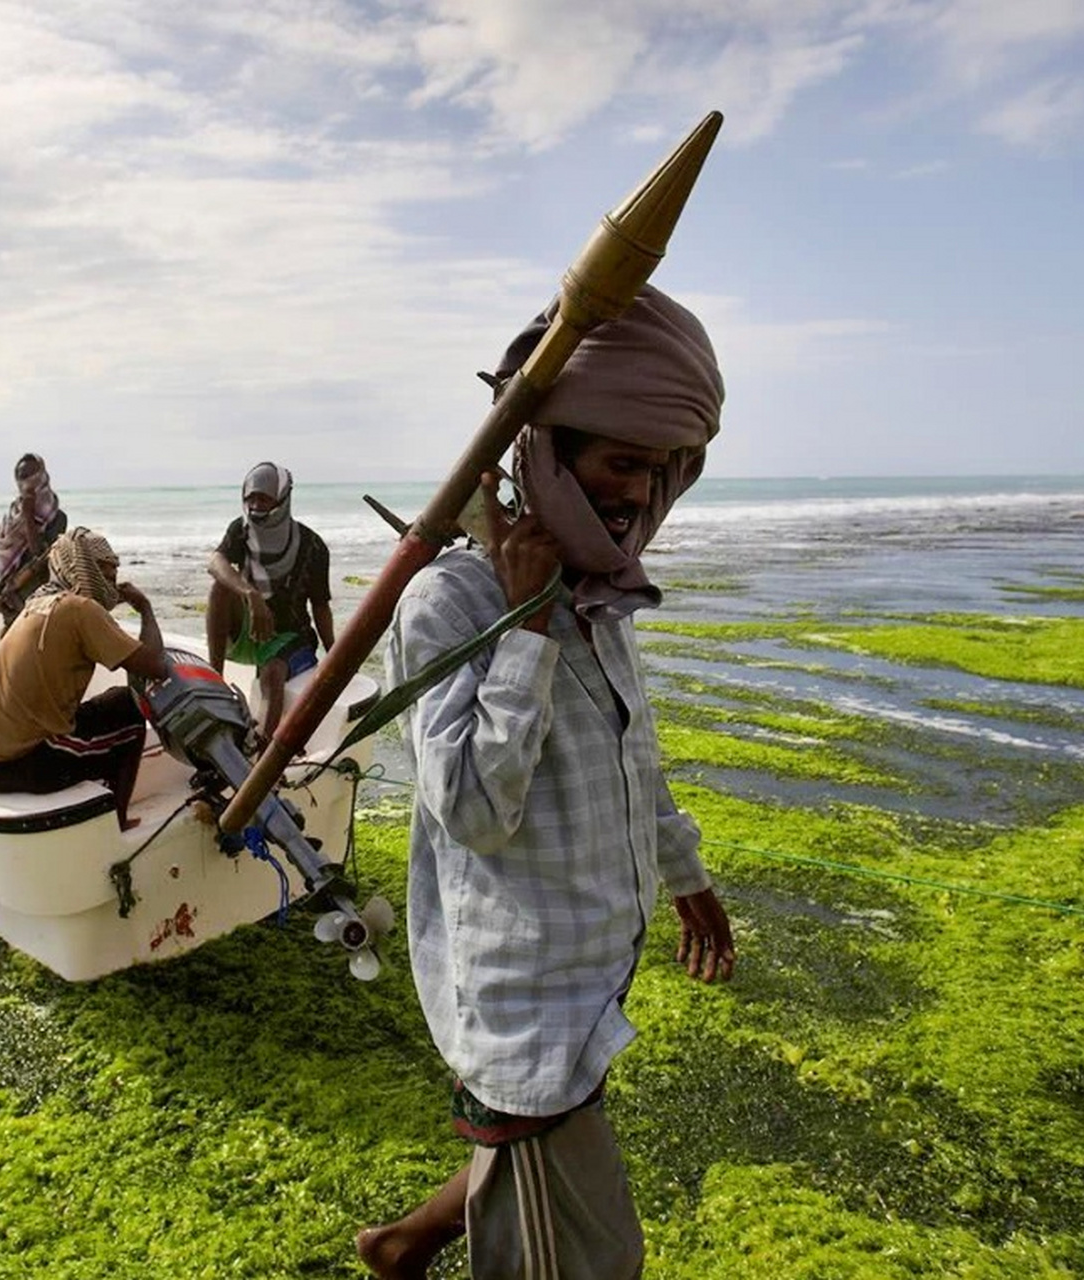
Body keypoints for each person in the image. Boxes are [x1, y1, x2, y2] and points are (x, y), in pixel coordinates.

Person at [359, 286, 737, 1280]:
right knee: (597, 1254)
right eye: (619, 460)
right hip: (522, 993)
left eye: (658, 469)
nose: (636, 490)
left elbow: (632, 761)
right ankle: (402, 1242)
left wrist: (685, 871)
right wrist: (524, 630)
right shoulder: (451, 601)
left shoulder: (595, 591)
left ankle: (399, 1244)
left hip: (591, 974)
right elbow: (478, 811)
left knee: (532, 1162)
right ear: (547, 451)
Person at [0, 528, 168, 830]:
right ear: (83, 568)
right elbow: (155, 666)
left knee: (112, 700)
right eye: (105, 575)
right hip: (24, 763)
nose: (111, 586)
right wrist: (145, 608)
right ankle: (117, 821)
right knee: (129, 711)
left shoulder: (36, 604)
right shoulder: (79, 609)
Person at [205, 462, 336, 744]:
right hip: (251, 631)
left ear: (282, 499)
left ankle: (262, 753)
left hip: (290, 637)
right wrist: (252, 596)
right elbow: (215, 562)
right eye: (250, 497)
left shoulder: (313, 545)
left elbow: (321, 605)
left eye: (263, 498)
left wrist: (336, 654)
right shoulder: (240, 531)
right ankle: (215, 682)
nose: (255, 505)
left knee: (273, 674)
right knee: (220, 587)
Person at [0, 452, 69, 630]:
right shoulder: (12, 514)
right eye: (22, 476)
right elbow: (4, 552)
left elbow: (40, 554)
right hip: (11, 595)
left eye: (32, 475)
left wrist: (28, 516)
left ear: (42, 476)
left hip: (37, 595)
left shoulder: (57, 518)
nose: (27, 481)